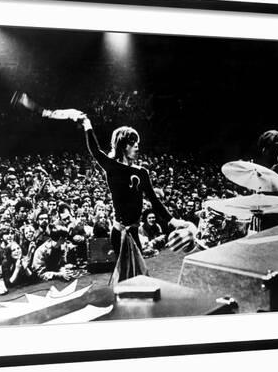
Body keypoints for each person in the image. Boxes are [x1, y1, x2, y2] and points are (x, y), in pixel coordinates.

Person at [12, 92, 197, 282]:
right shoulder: (112, 167)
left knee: (139, 273)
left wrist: (173, 221)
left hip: (133, 230)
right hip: (119, 232)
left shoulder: (142, 172)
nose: (138, 148)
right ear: (125, 145)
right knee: (126, 274)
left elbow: (155, 201)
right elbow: (95, 150)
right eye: (135, 144)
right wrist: (87, 125)